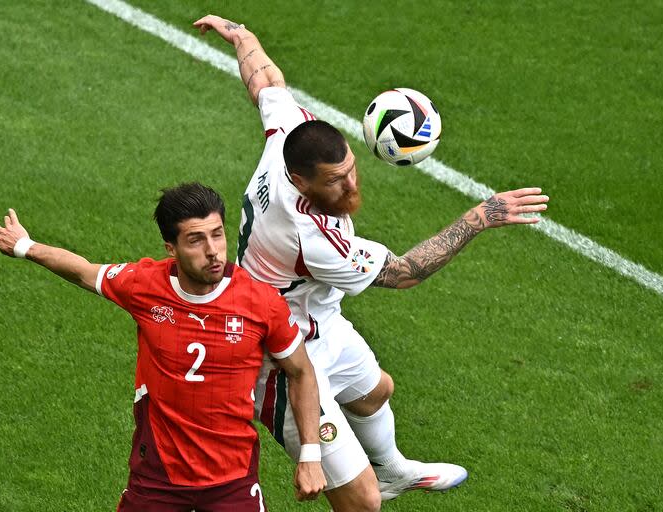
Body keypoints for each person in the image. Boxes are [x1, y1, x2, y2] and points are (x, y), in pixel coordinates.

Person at [195, 15, 550, 512]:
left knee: (375, 390)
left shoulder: (288, 136)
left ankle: (392, 470)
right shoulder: (308, 237)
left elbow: (268, 85)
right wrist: (479, 217)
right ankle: (372, 486)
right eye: (335, 182)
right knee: (361, 503)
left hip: (318, 318)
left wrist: (242, 35)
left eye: (351, 170)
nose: (351, 187)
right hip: (279, 354)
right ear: (299, 181)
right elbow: (403, 273)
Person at [0, 183, 326, 511]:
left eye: (217, 234)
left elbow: (301, 371)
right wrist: (24, 246)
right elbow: (82, 272)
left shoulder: (260, 302)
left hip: (233, 478)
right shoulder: (144, 285)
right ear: (171, 247)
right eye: (196, 239)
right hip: (157, 476)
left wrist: (310, 455)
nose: (212, 250)